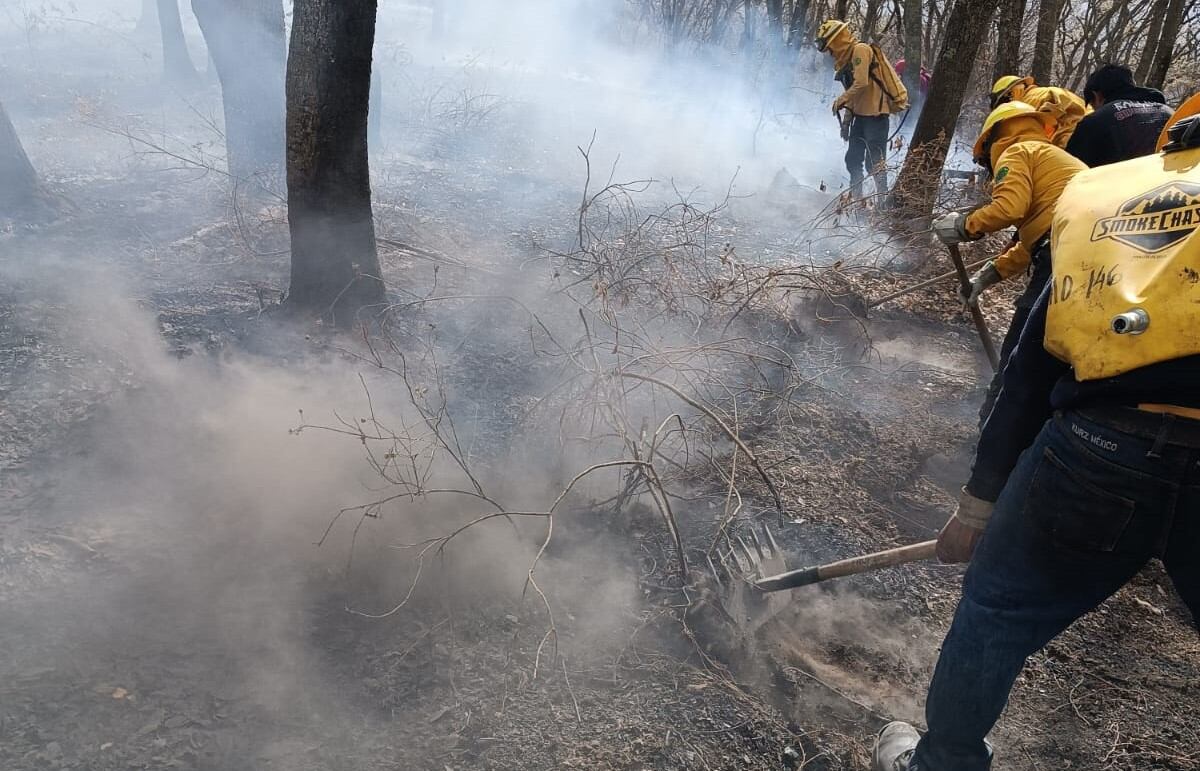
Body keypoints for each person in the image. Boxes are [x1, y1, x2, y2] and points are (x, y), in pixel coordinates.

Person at [872, 98, 1200, 771]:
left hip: (1100, 449)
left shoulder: (1112, 197)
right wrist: (995, 269)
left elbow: (1027, 373)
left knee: (995, 607)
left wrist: (977, 506)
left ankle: (944, 761)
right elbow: (1031, 245)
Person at [932, 102, 1086, 423]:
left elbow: (1008, 208)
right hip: (1091, 256)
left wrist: (963, 225)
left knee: (1021, 349)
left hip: (1062, 252)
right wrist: (987, 277)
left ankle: (993, 429)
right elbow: (1035, 240)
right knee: (1059, 352)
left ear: (992, 142)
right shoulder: (1054, 160)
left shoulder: (1016, 151)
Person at [815, 20, 908, 200]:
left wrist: (840, 100)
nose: (831, 54)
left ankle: (882, 203)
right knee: (852, 160)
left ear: (838, 41)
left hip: (876, 117)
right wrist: (846, 123)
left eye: (830, 49)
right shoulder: (847, 61)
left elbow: (861, 83)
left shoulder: (861, 50)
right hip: (860, 118)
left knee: (874, 164)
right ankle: (857, 202)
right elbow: (854, 95)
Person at [1065, 63, 1174, 167]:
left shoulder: (1095, 122)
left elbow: (1071, 170)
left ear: (1097, 95)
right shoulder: (1169, 113)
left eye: (1092, 105)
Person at [990, 75, 1087, 148]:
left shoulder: (1028, 103)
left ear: (1010, 95)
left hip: (1075, 141)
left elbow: (1034, 139)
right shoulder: (1040, 93)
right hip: (1088, 131)